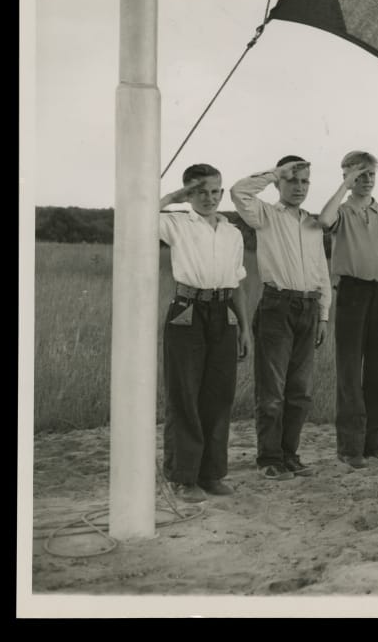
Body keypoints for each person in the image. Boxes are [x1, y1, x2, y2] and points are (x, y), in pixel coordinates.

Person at [231, 156, 332, 481]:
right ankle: (270, 458)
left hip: (309, 307)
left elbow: (321, 270)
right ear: (279, 184)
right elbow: (238, 192)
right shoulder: (266, 215)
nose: (299, 187)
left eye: (304, 181)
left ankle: (290, 454)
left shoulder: (312, 224)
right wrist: (275, 172)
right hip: (277, 306)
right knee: (272, 391)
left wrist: (324, 315)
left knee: (300, 391)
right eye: (292, 180)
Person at [159, 164, 251, 502]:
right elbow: (137, 214)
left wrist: (244, 328)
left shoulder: (232, 233)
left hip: (223, 312)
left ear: (222, 193)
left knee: (219, 395)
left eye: (214, 192)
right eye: (200, 192)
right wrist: (174, 197)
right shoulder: (176, 223)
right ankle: (183, 477)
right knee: (185, 394)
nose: (209, 198)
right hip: (187, 311)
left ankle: (211, 474)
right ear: (188, 194)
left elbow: (237, 283)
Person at [318, 151, 378, 468]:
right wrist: (345, 186)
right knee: (350, 371)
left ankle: (377, 442)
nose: (366, 180)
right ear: (346, 176)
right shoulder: (341, 212)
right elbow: (323, 221)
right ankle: (350, 446)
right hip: (352, 293)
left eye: (370, 174)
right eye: (359, 175)